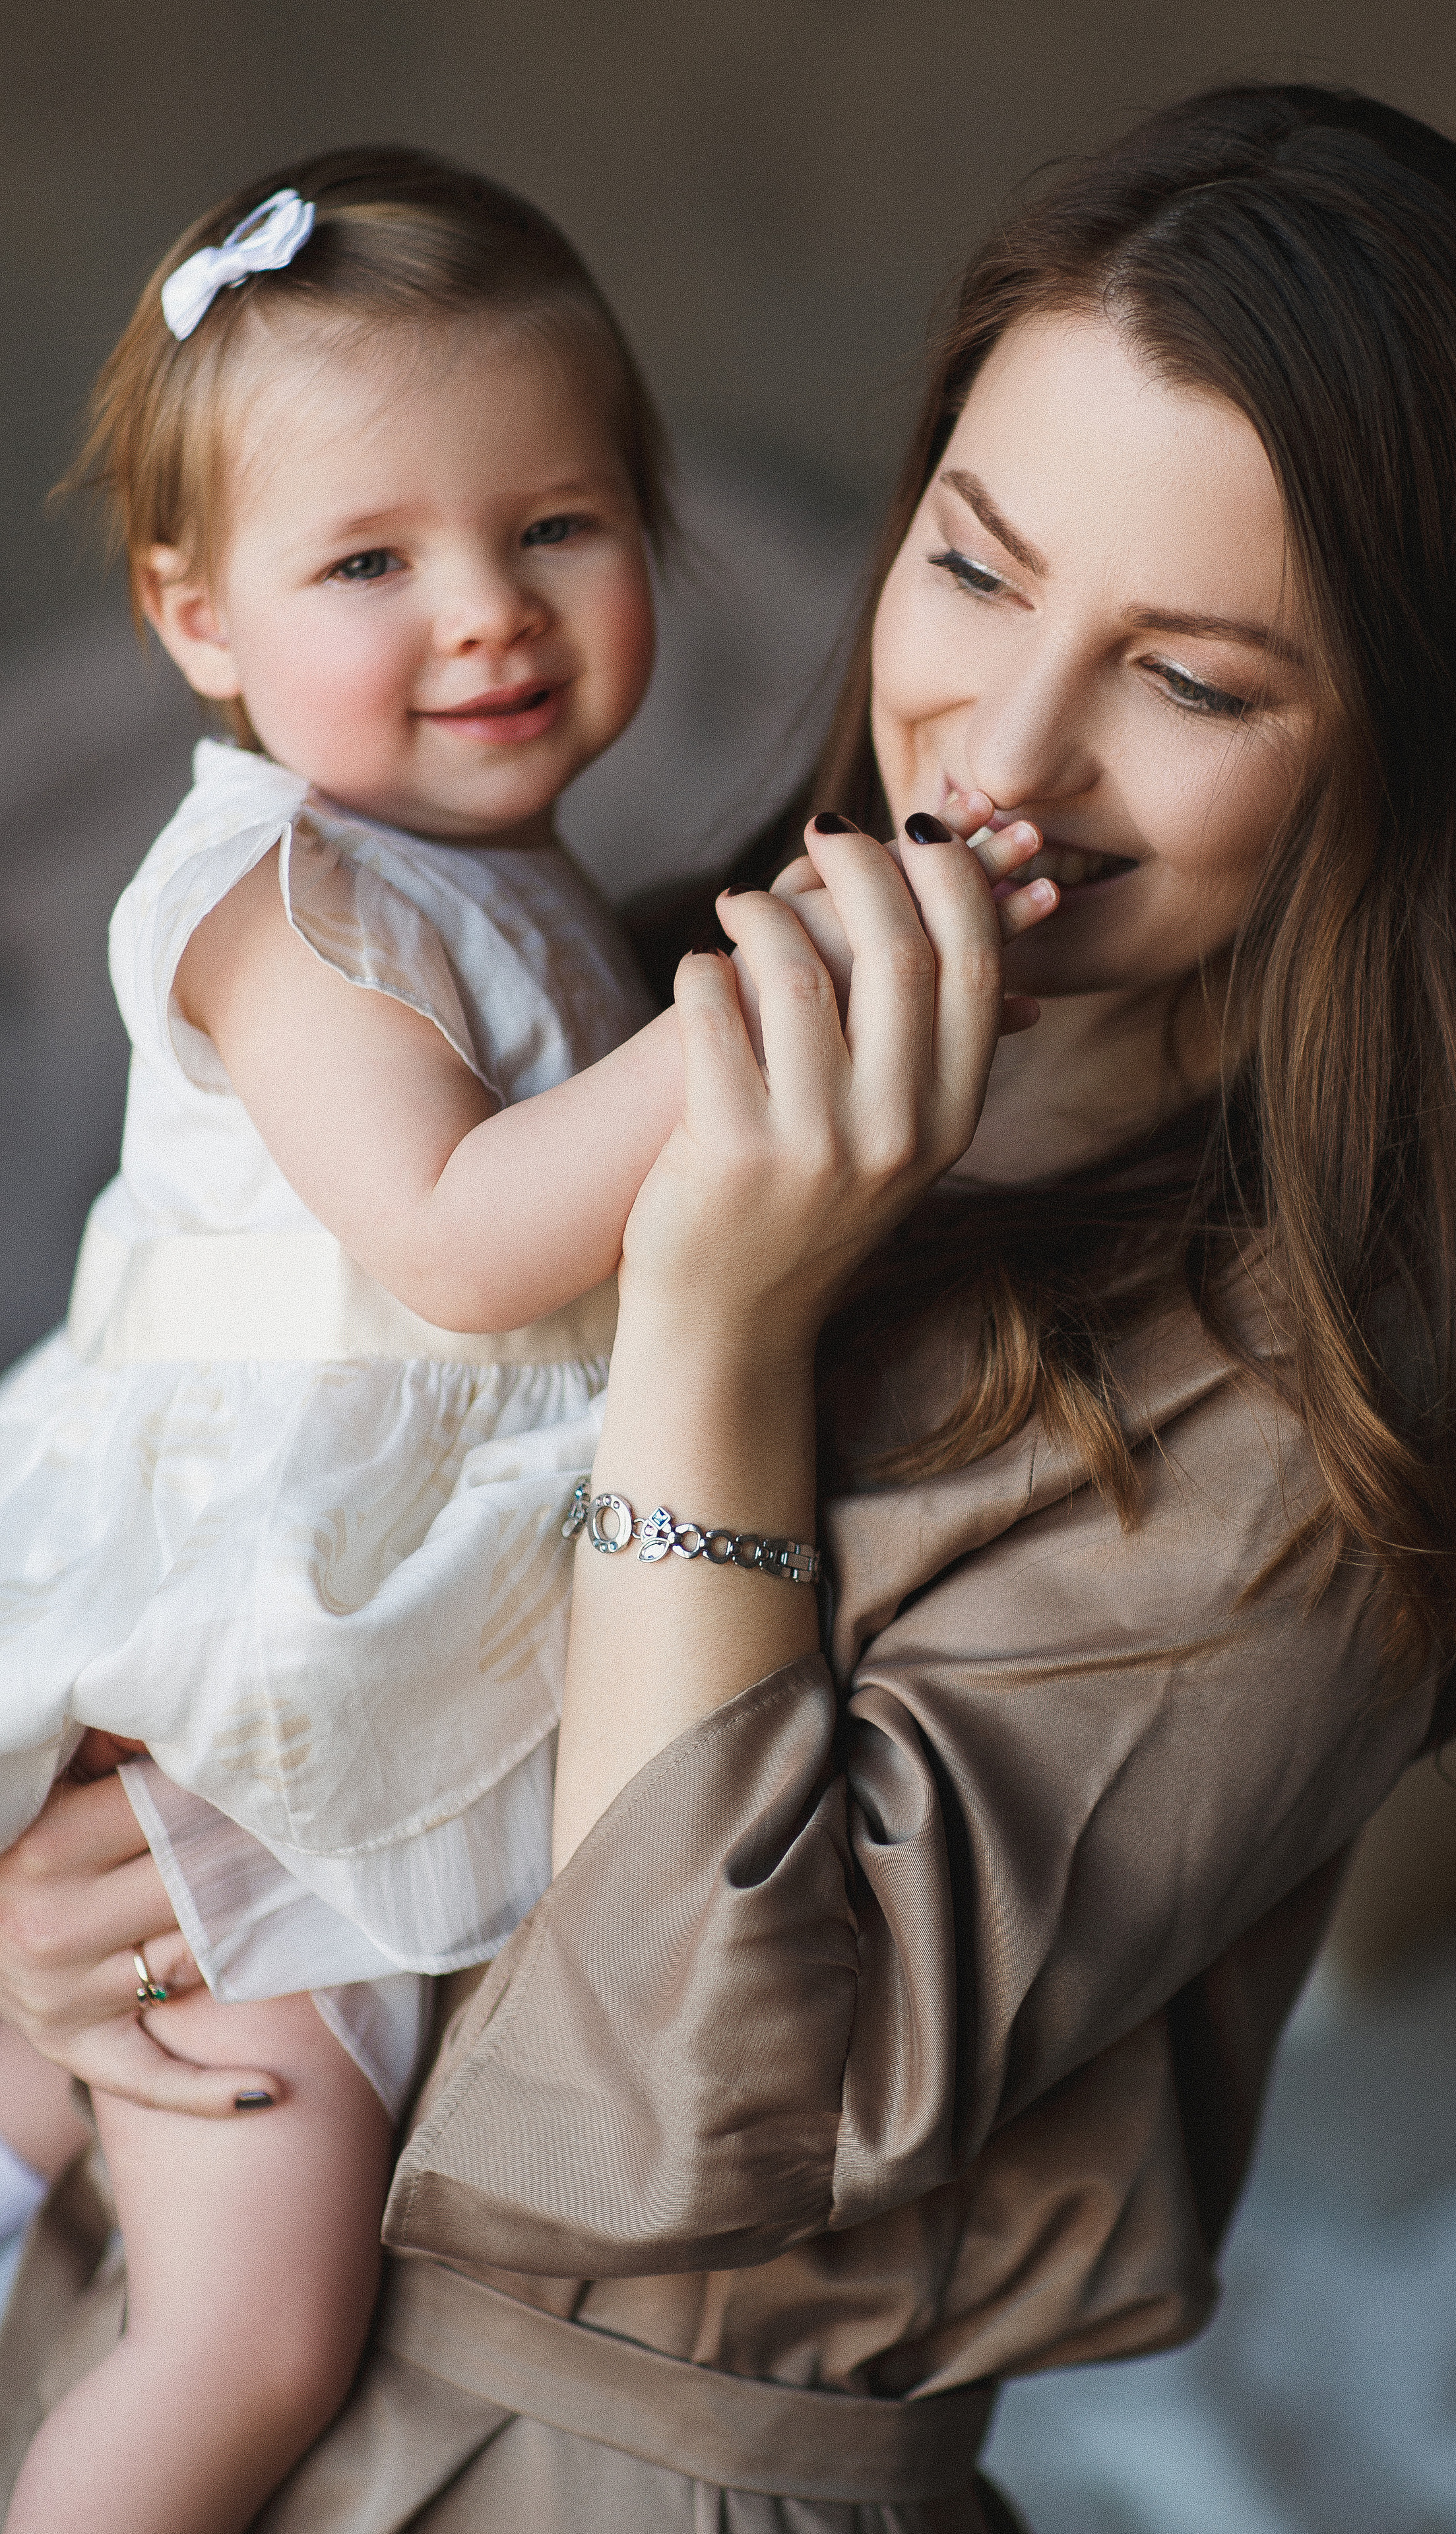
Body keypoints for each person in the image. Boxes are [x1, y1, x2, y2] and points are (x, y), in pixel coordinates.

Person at [2, 82, 1456, 2532]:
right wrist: (72, 1916)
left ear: (1411, 749)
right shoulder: (632, 1007)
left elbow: (684, 2123)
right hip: (137, 2349)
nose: (1000, 753)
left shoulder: (1326, 1413)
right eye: (976, 571)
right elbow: (278, 1539)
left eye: (1194, 685)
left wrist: (711, 1333)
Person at [0, 146, 1054, 2534]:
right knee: (250, 2341)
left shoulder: (516, 879)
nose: (484, 613)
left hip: (390, 1699)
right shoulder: (279, 898)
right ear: (197, 617)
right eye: (370, 562)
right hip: (245, 1735)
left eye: (557, 528)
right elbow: (468, 1240)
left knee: (102, 2164)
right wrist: (770, 1001)